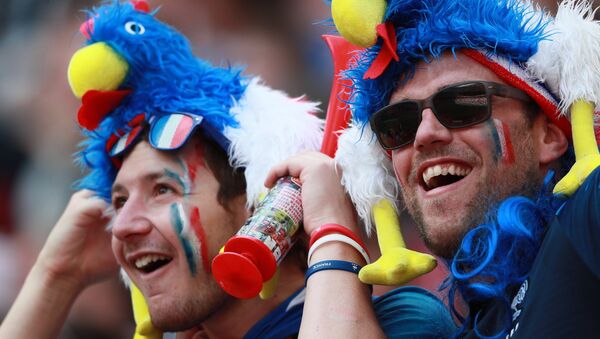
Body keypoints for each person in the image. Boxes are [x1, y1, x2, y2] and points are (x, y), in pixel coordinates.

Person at [0, 1, 456, 338]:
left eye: (162, 190)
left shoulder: (401, 323)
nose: (122, 226)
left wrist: (332, 231)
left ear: (261, 204)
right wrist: (57, 274)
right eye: (118, 201)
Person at [280, 0, 598, 337]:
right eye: (398, 124)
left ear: (549, 134)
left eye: (462, 103)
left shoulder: (585, 218)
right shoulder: (466, 324)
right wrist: (334, 229)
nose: (425, 135)